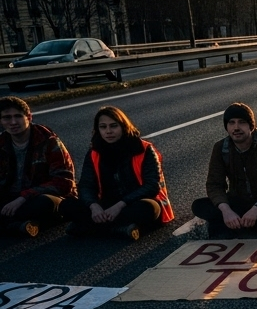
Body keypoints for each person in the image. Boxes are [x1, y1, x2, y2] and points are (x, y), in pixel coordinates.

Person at [60, 106, 174, 240]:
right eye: (103, 127)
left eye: (113, 126)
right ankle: (118, 228)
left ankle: (90, 227)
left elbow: (152, 186)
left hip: (133, 203)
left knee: (149, 208)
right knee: (66, 205)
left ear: (123, 126)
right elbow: (86, 184)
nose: (108, 131)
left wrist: (120, 205)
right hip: (106, 204)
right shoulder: (94, 152)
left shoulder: (144, 149)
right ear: (98, 130)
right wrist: (94, 206)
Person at [192, 103, 257, 238]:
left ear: (251, 126)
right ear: (227, 127)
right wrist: (226, 210)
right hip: (237, 200)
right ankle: (240, 223)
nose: (236, 128)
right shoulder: (220, 148)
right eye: (231, 123)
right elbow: (214, 184)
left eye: (242, 122)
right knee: (199, 205)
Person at [0, 95, 75, 238]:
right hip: (10, 197)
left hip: (40, 197)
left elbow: (64, 182)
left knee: (44, 203)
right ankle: (20, 224)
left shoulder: (49, 141)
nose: (13, 122)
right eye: (7, 118)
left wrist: (24, 197)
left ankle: (12, 224)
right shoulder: (2, 143)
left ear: (29, 117)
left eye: (18, 116)